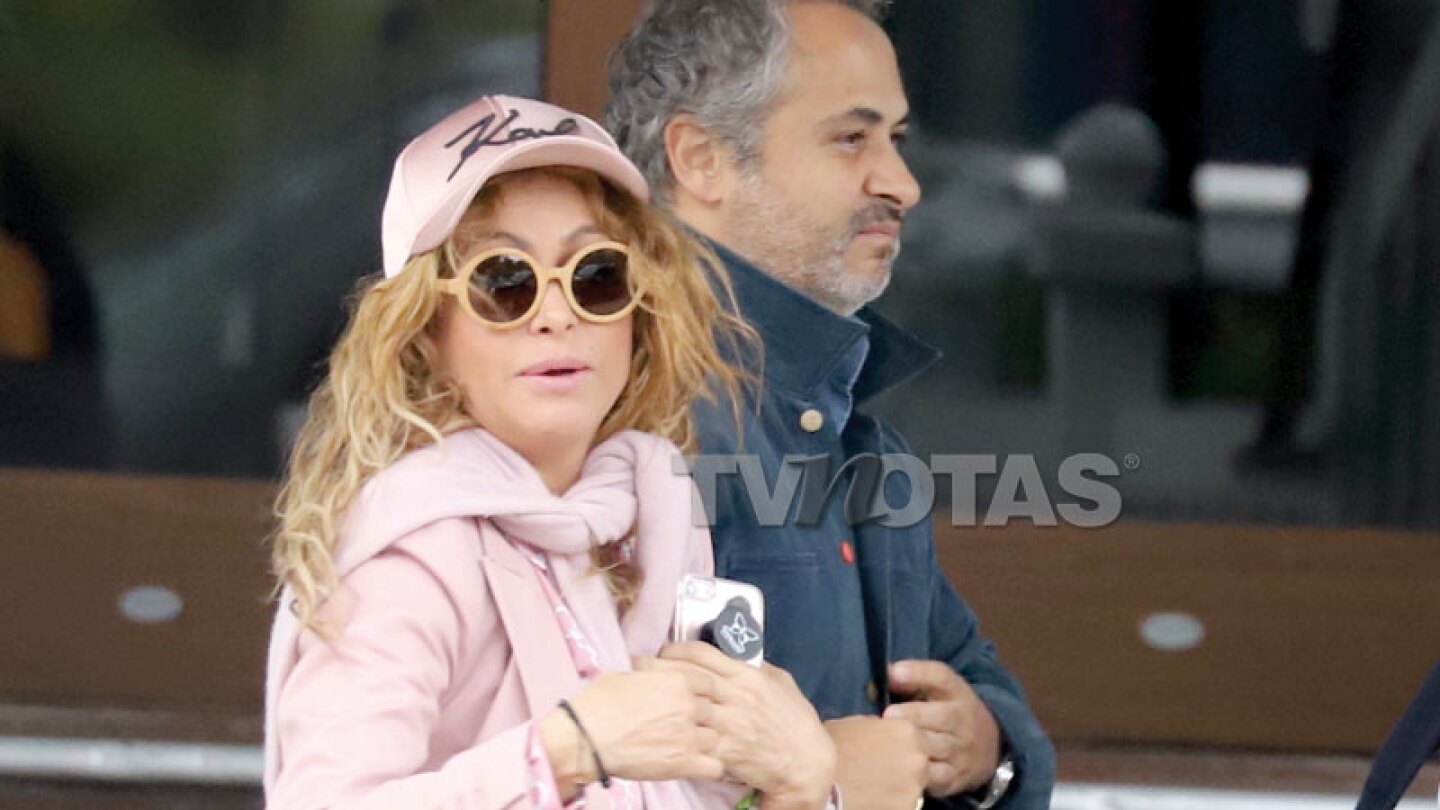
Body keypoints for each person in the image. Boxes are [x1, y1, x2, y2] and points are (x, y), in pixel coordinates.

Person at [264, 95, 838, 810]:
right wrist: (569, 749)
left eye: (597, 275)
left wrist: (807, 781)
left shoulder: (653, 517)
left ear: (641, 307)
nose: (557, 315)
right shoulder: (412, 559)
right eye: (504, 283)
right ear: (423, 334)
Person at [607, 2, 1055, 808]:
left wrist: (987, 754)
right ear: (701, 158)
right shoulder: (614, 406)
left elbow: (973, 684)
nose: (903, 184)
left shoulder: (849, 426)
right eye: (852, 137)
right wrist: (836, 782)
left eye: (898, 139)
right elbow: (570, 756)